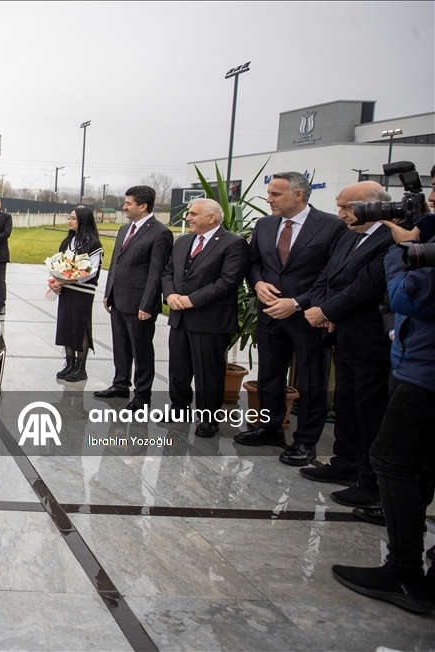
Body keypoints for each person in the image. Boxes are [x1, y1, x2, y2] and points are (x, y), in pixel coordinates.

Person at [331, 211, 435, 615]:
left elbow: (407, 296)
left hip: (425, 374)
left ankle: (404, 573)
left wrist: (400, 250)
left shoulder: (403, 247)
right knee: (420, 464)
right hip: (415, 361)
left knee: (390, 460)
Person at [235, 172, 344, 467]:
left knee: (311, 380)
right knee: (270, 375)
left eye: (275, 194)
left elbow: (332, 273)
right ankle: (269, 429)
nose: (268, 199)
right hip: (270, 315)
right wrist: (258, 284)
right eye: (269, 193)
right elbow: (253, 262)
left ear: (298, 195)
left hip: (309, 317)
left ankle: (306, 441)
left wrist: (297, 303)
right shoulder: (265, 224)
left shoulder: (330, 226)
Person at [300, 181, 394, 508]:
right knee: (347, 405)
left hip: (371, 342)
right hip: (342, 336)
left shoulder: (389, 239)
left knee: (369, 411)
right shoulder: (348, 235)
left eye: (348, 207)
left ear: (375, 206)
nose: (341, 214)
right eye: (339, 206)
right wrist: (320, 307)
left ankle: (370, 481)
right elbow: (327, 275)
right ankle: (345, 463)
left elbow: (367, 286)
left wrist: (327, 311)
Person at [161, 198, 250, 437]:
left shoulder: (233, 243)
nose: (188, 217)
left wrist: (192, 300)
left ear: (212, 218)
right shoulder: (183, 241)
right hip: (180, 317)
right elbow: (168, 272)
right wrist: (170, 295)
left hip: (210, 320)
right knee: (178, 368)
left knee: (208, 373)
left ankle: (209, 419)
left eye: (193, 213)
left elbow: (228, 281)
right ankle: (179, 408)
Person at [95, 185, 173, 410]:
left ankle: (142, 395)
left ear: (143, 206)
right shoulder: (124, 229)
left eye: (128, 203)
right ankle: (120, 385)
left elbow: (156, 272)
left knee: (141, 350)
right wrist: (108, 292)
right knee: (120, 346)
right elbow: (115, 263)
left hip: (140, 304)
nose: (124, 207)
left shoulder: (160, 233)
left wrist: (147, 304)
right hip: (119, 300)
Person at [48, 206, 103, 382]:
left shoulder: (93, 243)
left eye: (73, 218)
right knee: (66, 324)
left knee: (80, 326)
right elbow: (58, 264)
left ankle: (81, 366)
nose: (69, 221)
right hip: (66, 290)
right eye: (69, 217)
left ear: (83, 221)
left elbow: (92, 270)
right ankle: (70, 363)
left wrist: (72, 279)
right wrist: (55, 281)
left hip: (82, 290)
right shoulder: (67, 242)